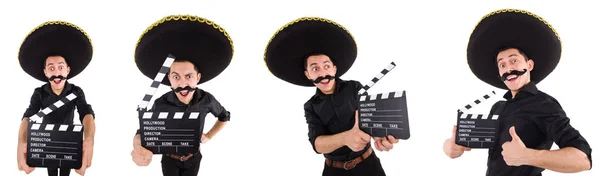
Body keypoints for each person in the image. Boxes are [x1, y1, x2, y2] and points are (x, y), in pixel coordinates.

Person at [442, 9, 592, 176]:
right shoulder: (497, 107)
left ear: (529, 65)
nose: (509, 69)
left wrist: (529, 156)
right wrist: (451, 145)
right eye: (502, 65)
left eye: (514, 60)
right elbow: (460, 145)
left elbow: (583, 159)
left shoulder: (544, 104)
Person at [264, 17, 399, 176]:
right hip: (333, 171)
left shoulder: (355, 88)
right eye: (315, 69)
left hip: (370, 167)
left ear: (334, 69)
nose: (323, 73)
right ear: (308, 75)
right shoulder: (310, 106)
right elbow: (317, 144)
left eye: (326, 66)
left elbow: (372, 119)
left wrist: (380, 137)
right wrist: (346, 138)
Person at [129, 14, 233, 176]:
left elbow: (224, 116)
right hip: (169, 159)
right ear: (169, 78)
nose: (183, 84)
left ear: (198, 78)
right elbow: (145, 129)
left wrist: (209, 135)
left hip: (194, 157)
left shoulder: (207, 100)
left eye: (189, 76)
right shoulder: (160, 103)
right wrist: (137, 144)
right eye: (176, 77)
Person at [16, 21, 96, 176]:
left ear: (68, 70)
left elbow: (85, 113)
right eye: (51, 68)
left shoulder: (76, 91)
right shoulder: (39, 93)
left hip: (68, 141)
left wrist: (89, 140)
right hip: (46, 142)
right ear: (45, 72)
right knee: (51, 171)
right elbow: (29, 116)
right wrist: (21, 142)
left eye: (60, 67)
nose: (56, 73)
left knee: (65, 171)